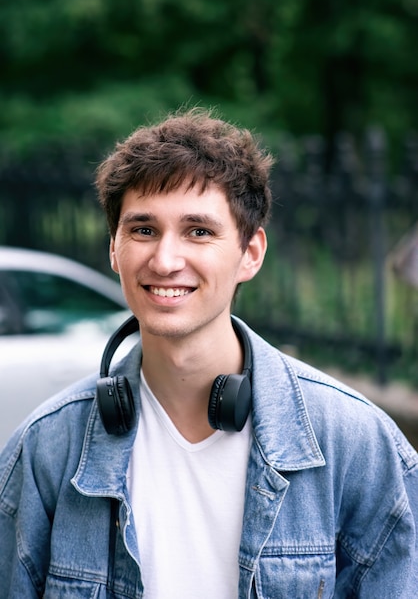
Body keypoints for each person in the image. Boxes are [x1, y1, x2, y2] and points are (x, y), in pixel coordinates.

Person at [0, 108, 417, 599]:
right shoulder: (46, 449)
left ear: (251, 253)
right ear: (114, 249)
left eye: (199, 231)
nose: (166, 260)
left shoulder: (357, 445)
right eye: (143, 230)